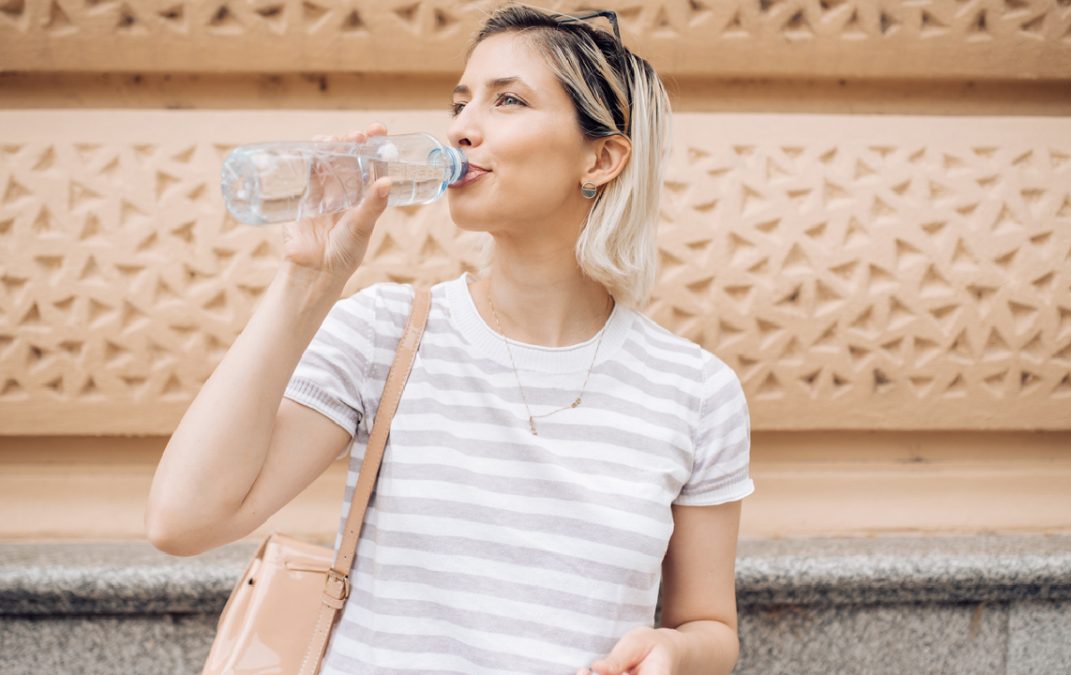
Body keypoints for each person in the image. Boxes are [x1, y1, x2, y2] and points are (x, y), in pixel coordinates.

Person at [146, 4, 754, 674]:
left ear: (602, 159)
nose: (463, 128)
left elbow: (710, 625)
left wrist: (673, 648)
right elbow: (182, 520)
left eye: (508, 101)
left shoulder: (695, 391)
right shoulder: (384, 333)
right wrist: (307, 283)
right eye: (460, 103)